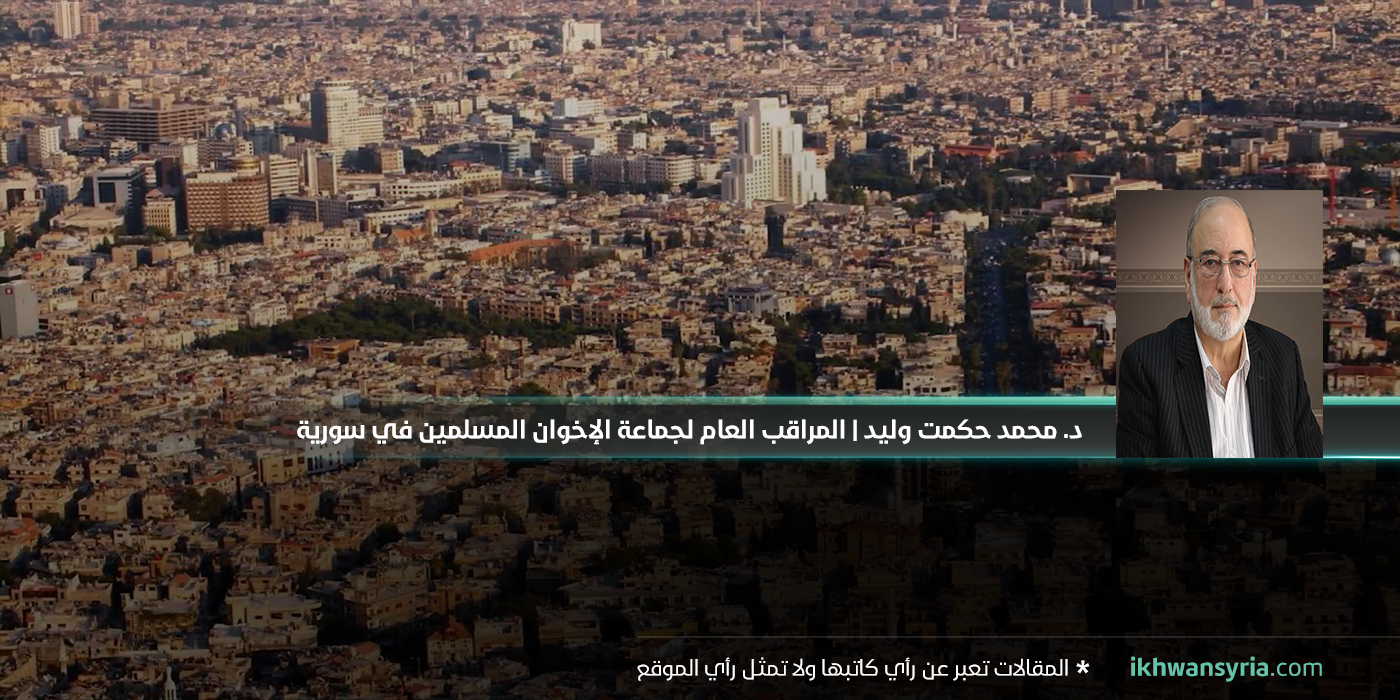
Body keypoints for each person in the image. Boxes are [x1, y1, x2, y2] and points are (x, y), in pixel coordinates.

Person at [1116, 196, 1323, 458]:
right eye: (1210, 263)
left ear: (1253, 276)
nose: (1225, 285)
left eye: (1238, 263)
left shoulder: (1284, 356)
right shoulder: (1144, 365)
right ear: (1188, 275)